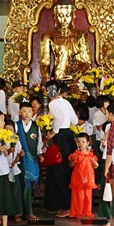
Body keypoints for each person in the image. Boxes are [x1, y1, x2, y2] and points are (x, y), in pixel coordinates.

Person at [44, 83, 78, 217]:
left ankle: (65, 205)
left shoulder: (52, 104)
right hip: (68, 137)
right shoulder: (66, 102)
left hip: (60, 138)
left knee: (58, 171)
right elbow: (74, 120)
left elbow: (59, 119)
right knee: (63, 170)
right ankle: (56, 204)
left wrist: (54, 131)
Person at [17, 102, 43, 222]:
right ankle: (21, 211)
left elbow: (39, 143)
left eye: (29, 111)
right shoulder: (16, 126)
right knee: (20, 185)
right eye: (24, 111)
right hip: (19, 160)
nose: (27, 114)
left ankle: (27, 211)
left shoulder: (36, 126)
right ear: (19, 112)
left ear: (33, 113)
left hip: (32, 159)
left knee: (29, 186)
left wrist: (40, 154)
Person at [68, 133, 99, 218]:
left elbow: (95, 166)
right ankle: (78, 211)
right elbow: (71, 165)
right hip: (78, 177)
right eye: (78, 142)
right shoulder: (75, 154)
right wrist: (73, 161)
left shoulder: (91, 154)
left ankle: (87, 211)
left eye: (83, 142)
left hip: (88, 178)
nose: (80, 144)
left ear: (88, 143)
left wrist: (95, 163)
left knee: (88, 195)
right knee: (78, 195)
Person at [6, 122, 25, 222]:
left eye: (11, 130)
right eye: (7, 129)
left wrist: (16, 160)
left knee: (16, 192)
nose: (9, 132)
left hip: (14, 169)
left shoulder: (16, 140)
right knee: (5, 192)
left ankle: (17, 213)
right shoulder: (1, 140)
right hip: (4, 169)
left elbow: (19, 152)